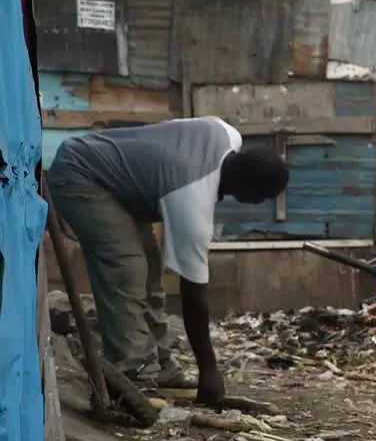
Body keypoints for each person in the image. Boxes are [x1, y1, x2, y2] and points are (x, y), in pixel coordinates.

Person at [45, 116, 289, 405]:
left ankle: (160, 368)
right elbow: (194, 298)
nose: (257, 204)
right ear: (247, 188)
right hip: (82, 173)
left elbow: (165, 136)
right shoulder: (192, 196)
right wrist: (208, 371)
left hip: (111, 174)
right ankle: (131, 374)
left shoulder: (226, 132)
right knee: (127, 270)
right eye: (260, 198)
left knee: (149, 269)